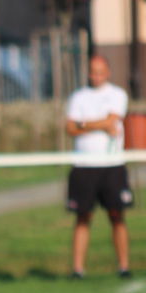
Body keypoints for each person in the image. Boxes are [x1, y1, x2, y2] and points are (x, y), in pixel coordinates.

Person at [65, 54, 134, 279]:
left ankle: (123, 267)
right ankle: (77, 270)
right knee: (82, 217)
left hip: (111, 164)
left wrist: (83, 123)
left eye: (100, 72)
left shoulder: (117, 94)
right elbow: (70, 128)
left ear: (108, 72)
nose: (96, 76)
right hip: (84, 165)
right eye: (93, 72)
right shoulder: (78, 97)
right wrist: (98, 124)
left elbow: (112, 121)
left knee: (117, 215)